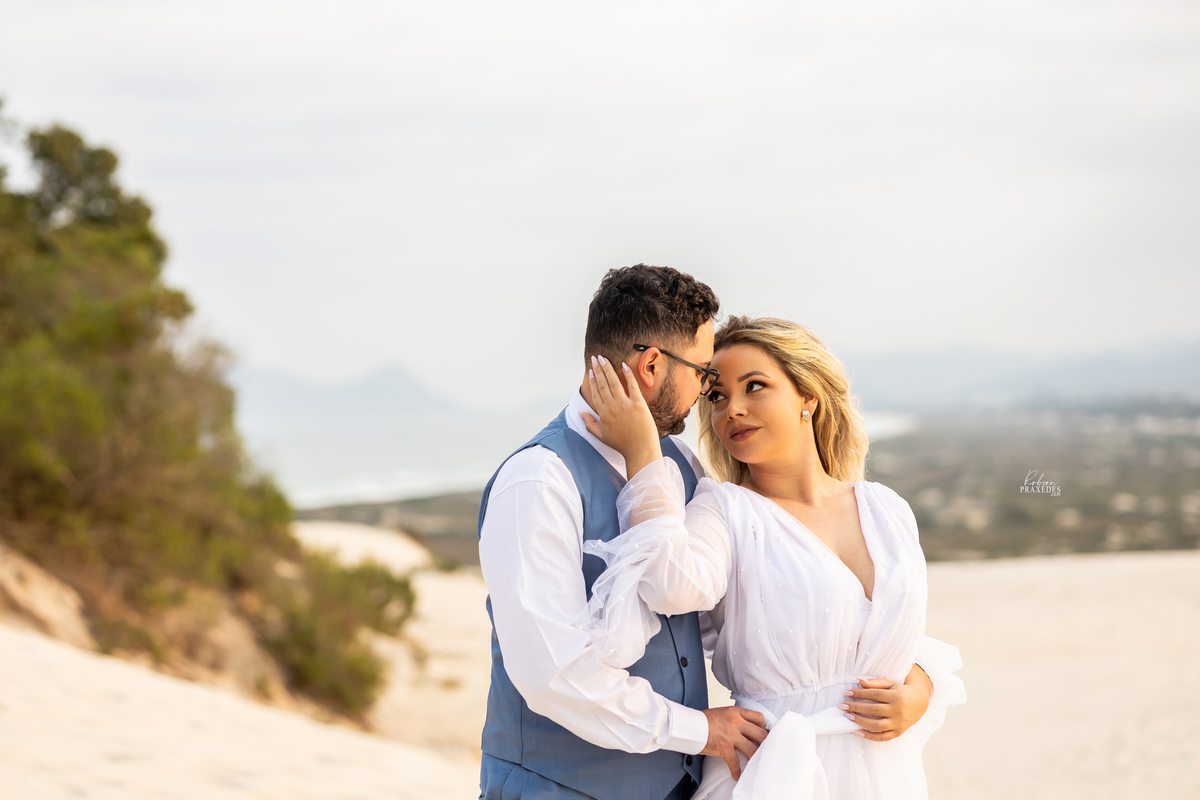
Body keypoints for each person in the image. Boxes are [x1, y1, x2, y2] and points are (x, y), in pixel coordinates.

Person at [579, 316, 966, 800]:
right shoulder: (724, 508)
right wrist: (643, 453)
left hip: (886, 776)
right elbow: (668, 584)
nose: (731, 410)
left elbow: (895, 635)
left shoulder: (886, 508)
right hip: (776, 775)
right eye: (716, 396)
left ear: (808, 396)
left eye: (754, 387)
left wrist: (919, 691)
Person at [477, 266, 771, 800]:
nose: (705, 392)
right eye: (704, 373)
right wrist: (701, 730)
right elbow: (554, 673)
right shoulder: (538, 480)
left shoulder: (680, 463)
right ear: (653, 364)